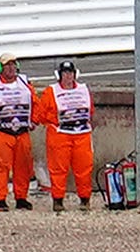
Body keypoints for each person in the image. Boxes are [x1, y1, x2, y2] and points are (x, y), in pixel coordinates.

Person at [0, 59, 39, 211]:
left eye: (13, 65)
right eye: (7, 65)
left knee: (24, 167)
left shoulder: (25, 83)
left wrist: (35, 121)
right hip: (0, 133)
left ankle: (21, 198)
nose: (11, 68)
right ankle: (0, 200)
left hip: (22, 133)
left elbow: (36, 103)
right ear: (0, 68)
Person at [42, 60, 100, 210]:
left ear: (75, 74)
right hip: (60, 134)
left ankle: (85, 199)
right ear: (59, 75)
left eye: (70, 73)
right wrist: (55, 120)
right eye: (65, 73)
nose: (68, 76)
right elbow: (41, 114)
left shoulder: (83, 89)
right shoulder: (51, 91)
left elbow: (91, 110)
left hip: (82, 134)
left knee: (84, 168)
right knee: (58, 169)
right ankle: (58, 200)